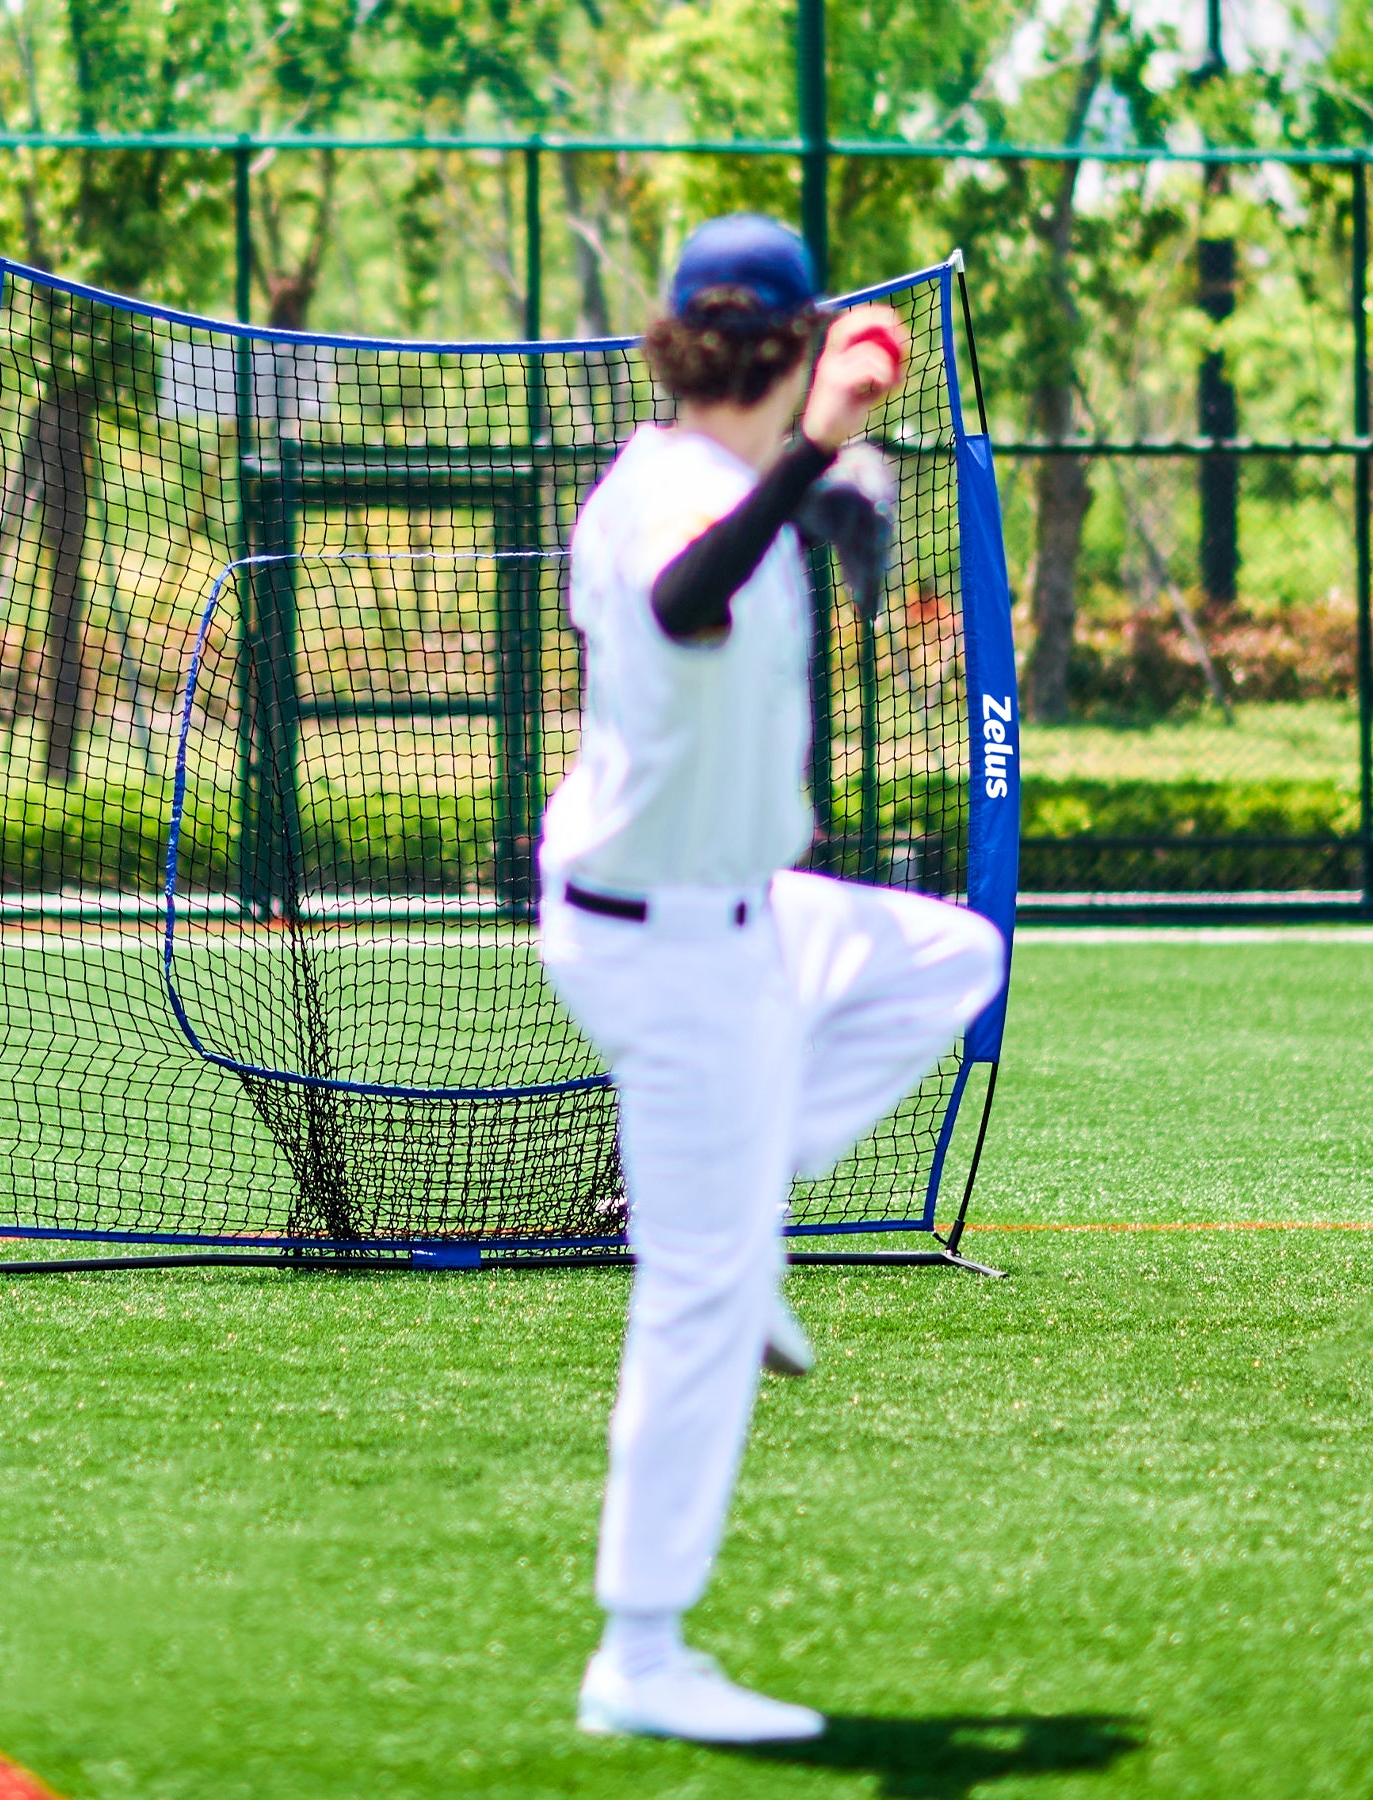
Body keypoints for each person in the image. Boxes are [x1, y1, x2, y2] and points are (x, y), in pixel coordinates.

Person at [536, 215, 1006, 1745]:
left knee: (950, 954)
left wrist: (832, 486)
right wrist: (819, 457)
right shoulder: (662, 493)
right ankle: (639, 1656)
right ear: (794, 351)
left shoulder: (732, 479)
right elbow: (688, 597)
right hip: (660, 946)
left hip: (739, 916)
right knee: (694, 1299)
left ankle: (744, 1231)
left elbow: (767, 534)